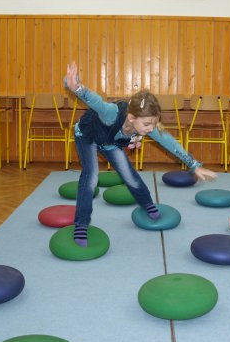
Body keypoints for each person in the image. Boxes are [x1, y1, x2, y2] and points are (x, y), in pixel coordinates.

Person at [64, 61, 217, 247]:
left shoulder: (146, 125)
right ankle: (81, 224)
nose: (151, 128)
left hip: (110, 141)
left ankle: (147, 204)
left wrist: (193, 165)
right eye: (147, 124)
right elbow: (96, 102)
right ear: (131, 118)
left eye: (154, 123)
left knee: (129, 175)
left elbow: (169, 142)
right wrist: (76, 88)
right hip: (87, 135)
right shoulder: (112, 114)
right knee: (91, 176)